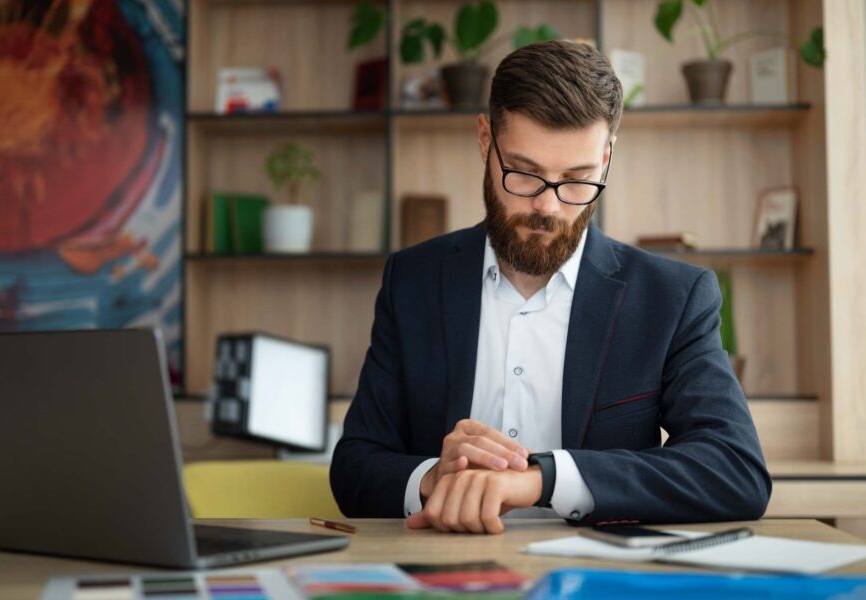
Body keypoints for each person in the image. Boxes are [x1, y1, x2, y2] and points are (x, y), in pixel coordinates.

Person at [330, 40, 771, 534]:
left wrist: (543, 479)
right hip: (441, 568)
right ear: (484, 140)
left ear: (606, 160)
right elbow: (354, 467)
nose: (550, 207)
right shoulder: (411, 280)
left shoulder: (672, 298)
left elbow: (735, 472)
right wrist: (433, 478)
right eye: (525, 174)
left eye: (577, 179)